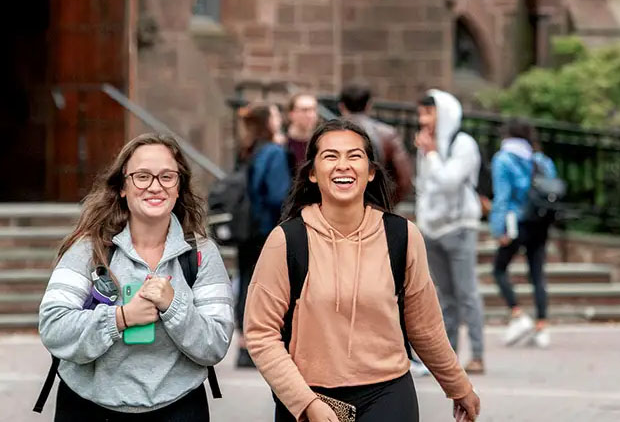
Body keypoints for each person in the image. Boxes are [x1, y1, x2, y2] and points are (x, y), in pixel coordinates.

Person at [245, 120, 480, 422]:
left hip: (388, 395)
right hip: (310, 396)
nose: (343, 165)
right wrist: (304, 402)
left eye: (354, 156)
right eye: (330, 156)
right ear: (313, 173)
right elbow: (261, 333)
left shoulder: (402, 237)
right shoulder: (287, 240)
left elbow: (426, 327)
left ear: (370, 172)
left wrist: (458, 385)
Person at [38, 133, 234, 420]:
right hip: (88, 407)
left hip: (178, 408)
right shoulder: (89, 249)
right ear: (122, 187)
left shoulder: (201, 255)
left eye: (167, 177)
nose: (155, 187)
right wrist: (121, 318)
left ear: (179, 187)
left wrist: (174, 306)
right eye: (142, 177)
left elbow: (216, 342)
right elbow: (53, 326)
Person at [413, 89, 485, 375]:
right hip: (432, 228)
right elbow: (424, 186)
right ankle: (448, 356)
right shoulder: (427, 145)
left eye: (429, 113)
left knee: (467, 293)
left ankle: (478, 354)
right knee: (444, 296)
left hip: (459, 227)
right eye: (420, 113)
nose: (423, 119)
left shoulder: (462, 143)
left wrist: (430, 155)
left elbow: (448, 181)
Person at [489, 118, 558, 349]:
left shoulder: (503, 159)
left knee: (499, 269)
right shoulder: (541, 160)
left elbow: (502, 196)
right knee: (537, 273)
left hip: (515, 222)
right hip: (540, 222)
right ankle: (542, 326)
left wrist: (498, 228)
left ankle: (517, 314)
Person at [235, 104, 292, 368]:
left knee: (247, 280)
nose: (280, 120)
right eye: (277, 115)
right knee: (264, 285)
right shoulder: (273, 152)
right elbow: (278, 194)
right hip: (267, 227)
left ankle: (244, 344)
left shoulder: (249, 149)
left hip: (247, 227)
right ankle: (260, 345)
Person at [338, 85, 414, 205]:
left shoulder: (327, 135)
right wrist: (385, 204)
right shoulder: (387, 134)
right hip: (374, 204)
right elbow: (404, 179)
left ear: (341, 106)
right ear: (369, 105)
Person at [285, 93, 320, 172]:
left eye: (313, 109)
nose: (310, 115)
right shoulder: (281, 144)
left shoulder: (320, 143)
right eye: (304, 110)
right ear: (291, 114)